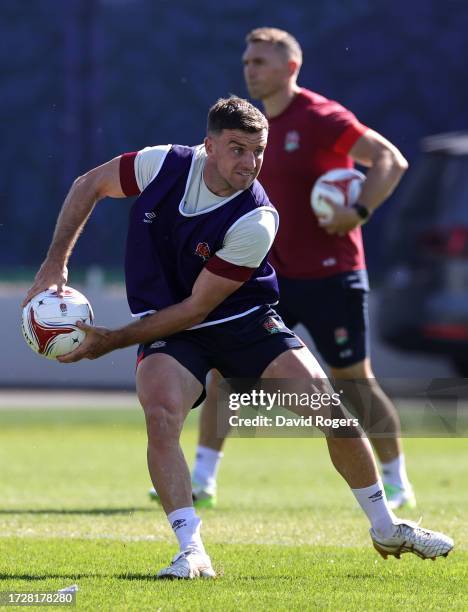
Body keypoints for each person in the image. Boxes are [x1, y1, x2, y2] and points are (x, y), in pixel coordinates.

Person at [24, 97, 453, 579]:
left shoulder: (257, 218)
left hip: (241, 321)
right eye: (236, 149)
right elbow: (90, 185)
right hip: (172, 326)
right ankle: (191, 551)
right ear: (208, 146)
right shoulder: (163, 164)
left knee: (332, 409)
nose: (249, 163)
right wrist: (55, 263)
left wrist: (112, 340)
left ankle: (386, 525)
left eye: (258, 151)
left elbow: (199, 308)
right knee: (161, 413)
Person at [184, 27, 416, 511]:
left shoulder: (321, 117)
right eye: (247, 62)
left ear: (290, 68)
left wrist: (359, 212)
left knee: (353, 380)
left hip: (333, 275)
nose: (250, 69)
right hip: (270, 277)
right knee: (225, 372)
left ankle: (396, 480)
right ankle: (202, 480)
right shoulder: (246, 131)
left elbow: (390, 161)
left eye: (260, 62)